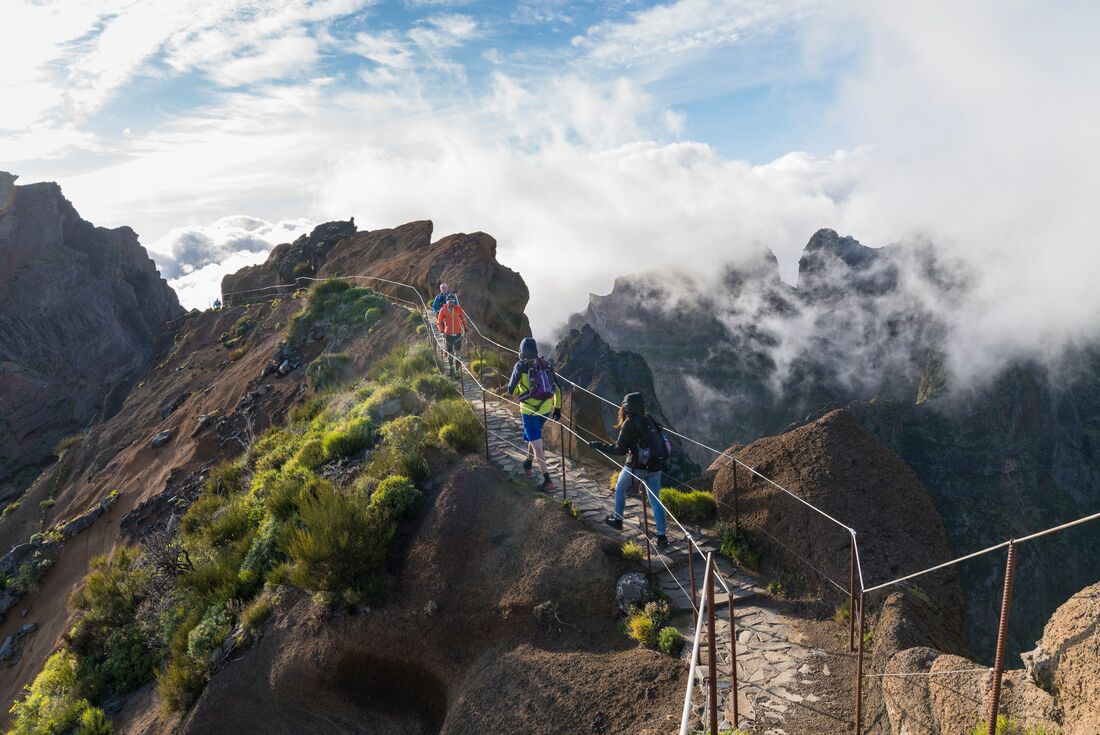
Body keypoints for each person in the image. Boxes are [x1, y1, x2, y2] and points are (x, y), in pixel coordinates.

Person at [587, 392, 669, 549]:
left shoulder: (629, 424)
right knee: (655, 500)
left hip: (636, 467)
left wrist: (597, 445)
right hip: (655, 466)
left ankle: (618, 520)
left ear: (626, 408)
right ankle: (662, 537)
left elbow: (619, 450)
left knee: (620, 488)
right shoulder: (649, 419)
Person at [505, 338, 562, 492]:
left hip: (529, 411)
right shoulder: (546, 365)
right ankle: (528, 463)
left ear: (521, 351)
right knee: (533, 436)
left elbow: (511, 390)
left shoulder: (520, 366)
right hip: (545, 410)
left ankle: (547, 480)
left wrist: (518, 390)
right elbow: (557, 389)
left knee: (537, 444)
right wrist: (558, 408)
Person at [436, 293, 467, 376]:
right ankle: (451, 368)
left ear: (454, 301)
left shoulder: (458, 309)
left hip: (457, 334)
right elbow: (439, 322)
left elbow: (463, 319)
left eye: (452, 301)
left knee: (457, 353)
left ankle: (457, 372)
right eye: (449, 301)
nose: (451, 303)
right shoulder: (443, 310)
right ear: (447, 301)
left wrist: (465, 329)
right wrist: (442, 332)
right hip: (448, 334)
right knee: (450, 353)